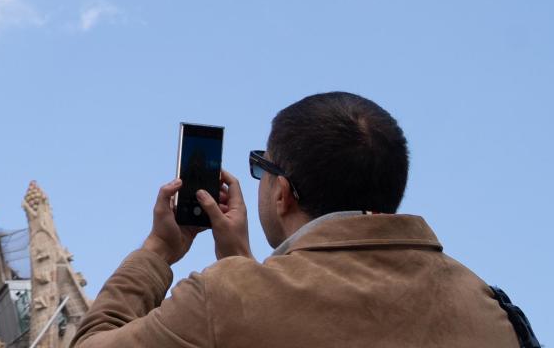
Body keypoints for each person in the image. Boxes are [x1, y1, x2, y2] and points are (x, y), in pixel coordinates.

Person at [70, 92, 526, 347]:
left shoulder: (219, 302)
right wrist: (240, 266)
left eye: (261, 167)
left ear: (283, 193)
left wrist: (157, 252)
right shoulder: (487, 306)